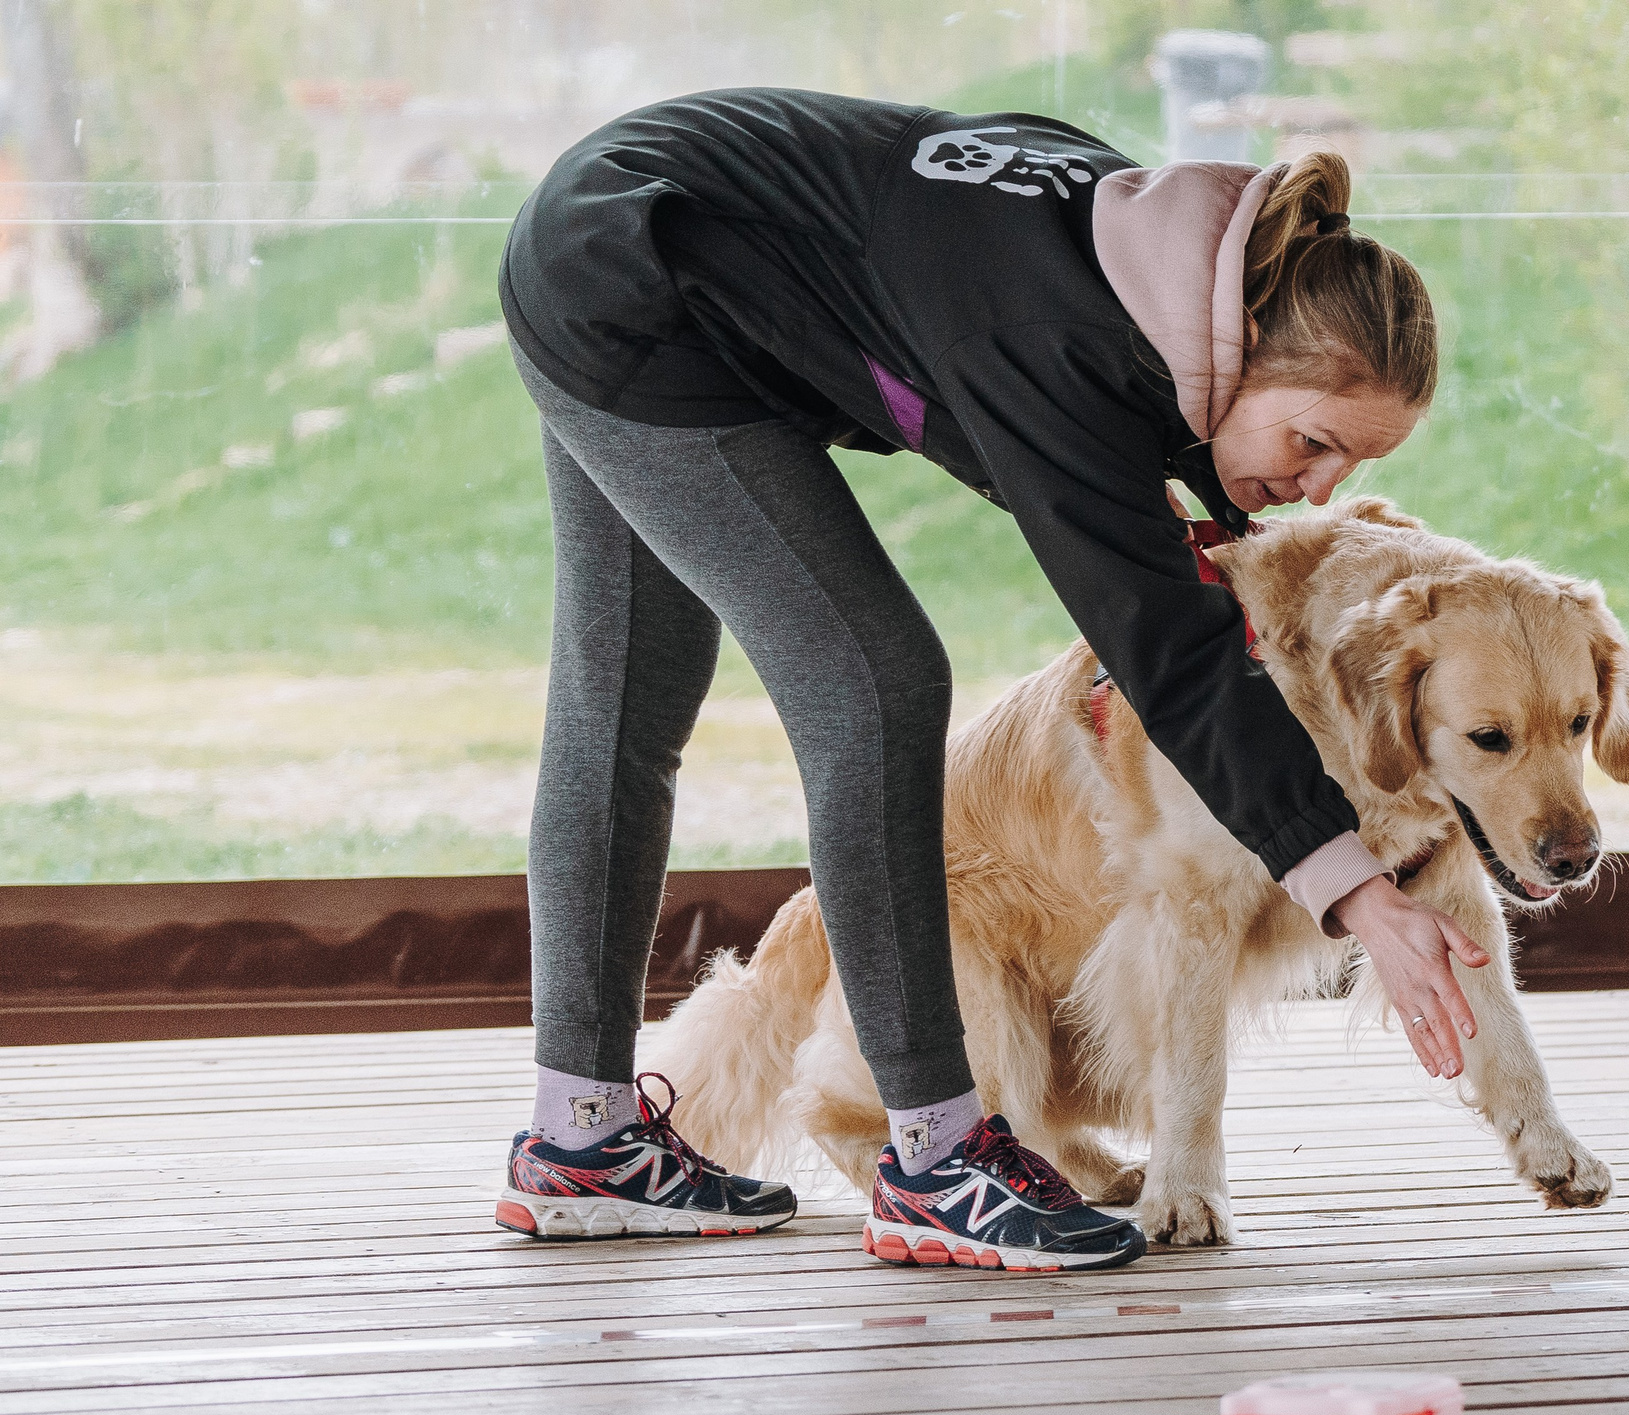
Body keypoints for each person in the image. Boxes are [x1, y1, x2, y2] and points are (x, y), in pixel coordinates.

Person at [492, 88, 1483, 1270]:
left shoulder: (1161, 269)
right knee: (876, 680)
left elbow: (1165, 544)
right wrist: (1358, 892)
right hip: (634, 284)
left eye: (1352, 464)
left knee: (628, 704)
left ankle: (582, 1146)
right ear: (1244, 352)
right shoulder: (1054, 339)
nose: (1319, 484)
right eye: (1312, 443)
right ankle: (933, 1155)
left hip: (627, 228)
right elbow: (1163, 645)